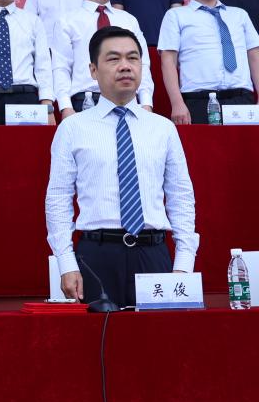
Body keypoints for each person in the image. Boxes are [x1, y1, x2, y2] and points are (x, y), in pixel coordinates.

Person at [46, 27, 197, 308]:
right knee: (97, 336)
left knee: (156, 336)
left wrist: (183, 264)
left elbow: (181, 197)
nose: (125, 66)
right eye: (114, 58)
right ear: (93, 70)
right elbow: (58, 199)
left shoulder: (163, 128)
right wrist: (65, 262)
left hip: (153, 253)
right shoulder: (72, 128)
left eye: (133, 58)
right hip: (96, 257)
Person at [159, 0, 259, 125]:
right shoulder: (176, 15)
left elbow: (255, 57)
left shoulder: (239, 15)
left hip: (241, 100)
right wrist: (177, 103)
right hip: (198, 100)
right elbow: (168, 61)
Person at [52, 0, 154, 118]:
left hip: (127, 99)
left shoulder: (128, 20)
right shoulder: (67, 21)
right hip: (86, 100)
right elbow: (61, 66)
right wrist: (65, 106)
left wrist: (146, 102)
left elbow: (143, 63)